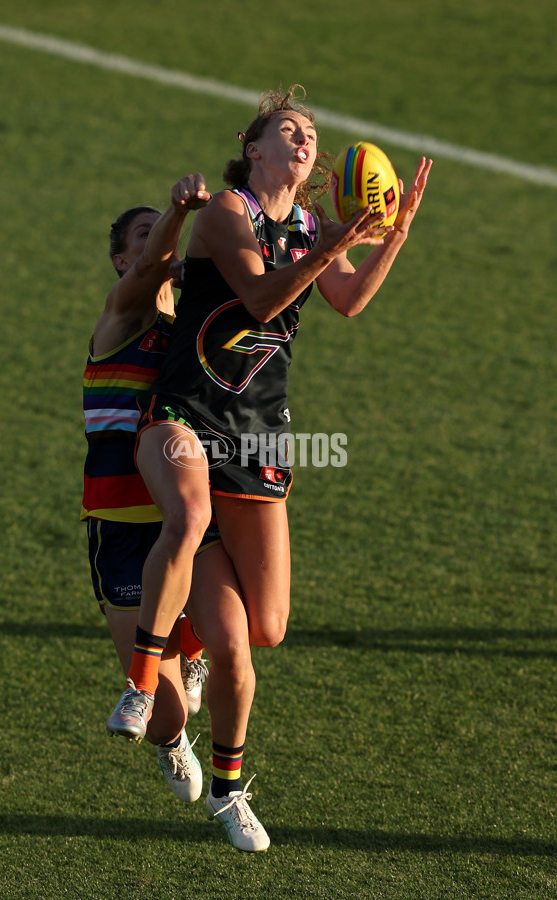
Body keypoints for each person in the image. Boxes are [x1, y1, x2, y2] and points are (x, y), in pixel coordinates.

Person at [107, 85, 432, 846]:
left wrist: (393, 236)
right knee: (187, 515)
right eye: (288, 129)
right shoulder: (227, 212)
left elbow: (345, 300)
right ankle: (140, 684)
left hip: (260, 442)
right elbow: (258, 299)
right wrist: (328, 246)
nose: (304, 140)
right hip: (185, 415)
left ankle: (199, 704)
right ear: (254, 149)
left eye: (311, 134)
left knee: (264, 630)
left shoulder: (316, 224)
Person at [83, 177, 264, 845]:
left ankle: (194, 657)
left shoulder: (193, 332)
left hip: (189, 516)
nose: (160, 243)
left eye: (164, 232)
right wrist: (182, 212)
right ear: (123, 260)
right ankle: (170, 737)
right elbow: (160, 263)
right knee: (162, 718)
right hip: (122, 531)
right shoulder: (122, 314)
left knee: (234, 627)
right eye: (144, 235)